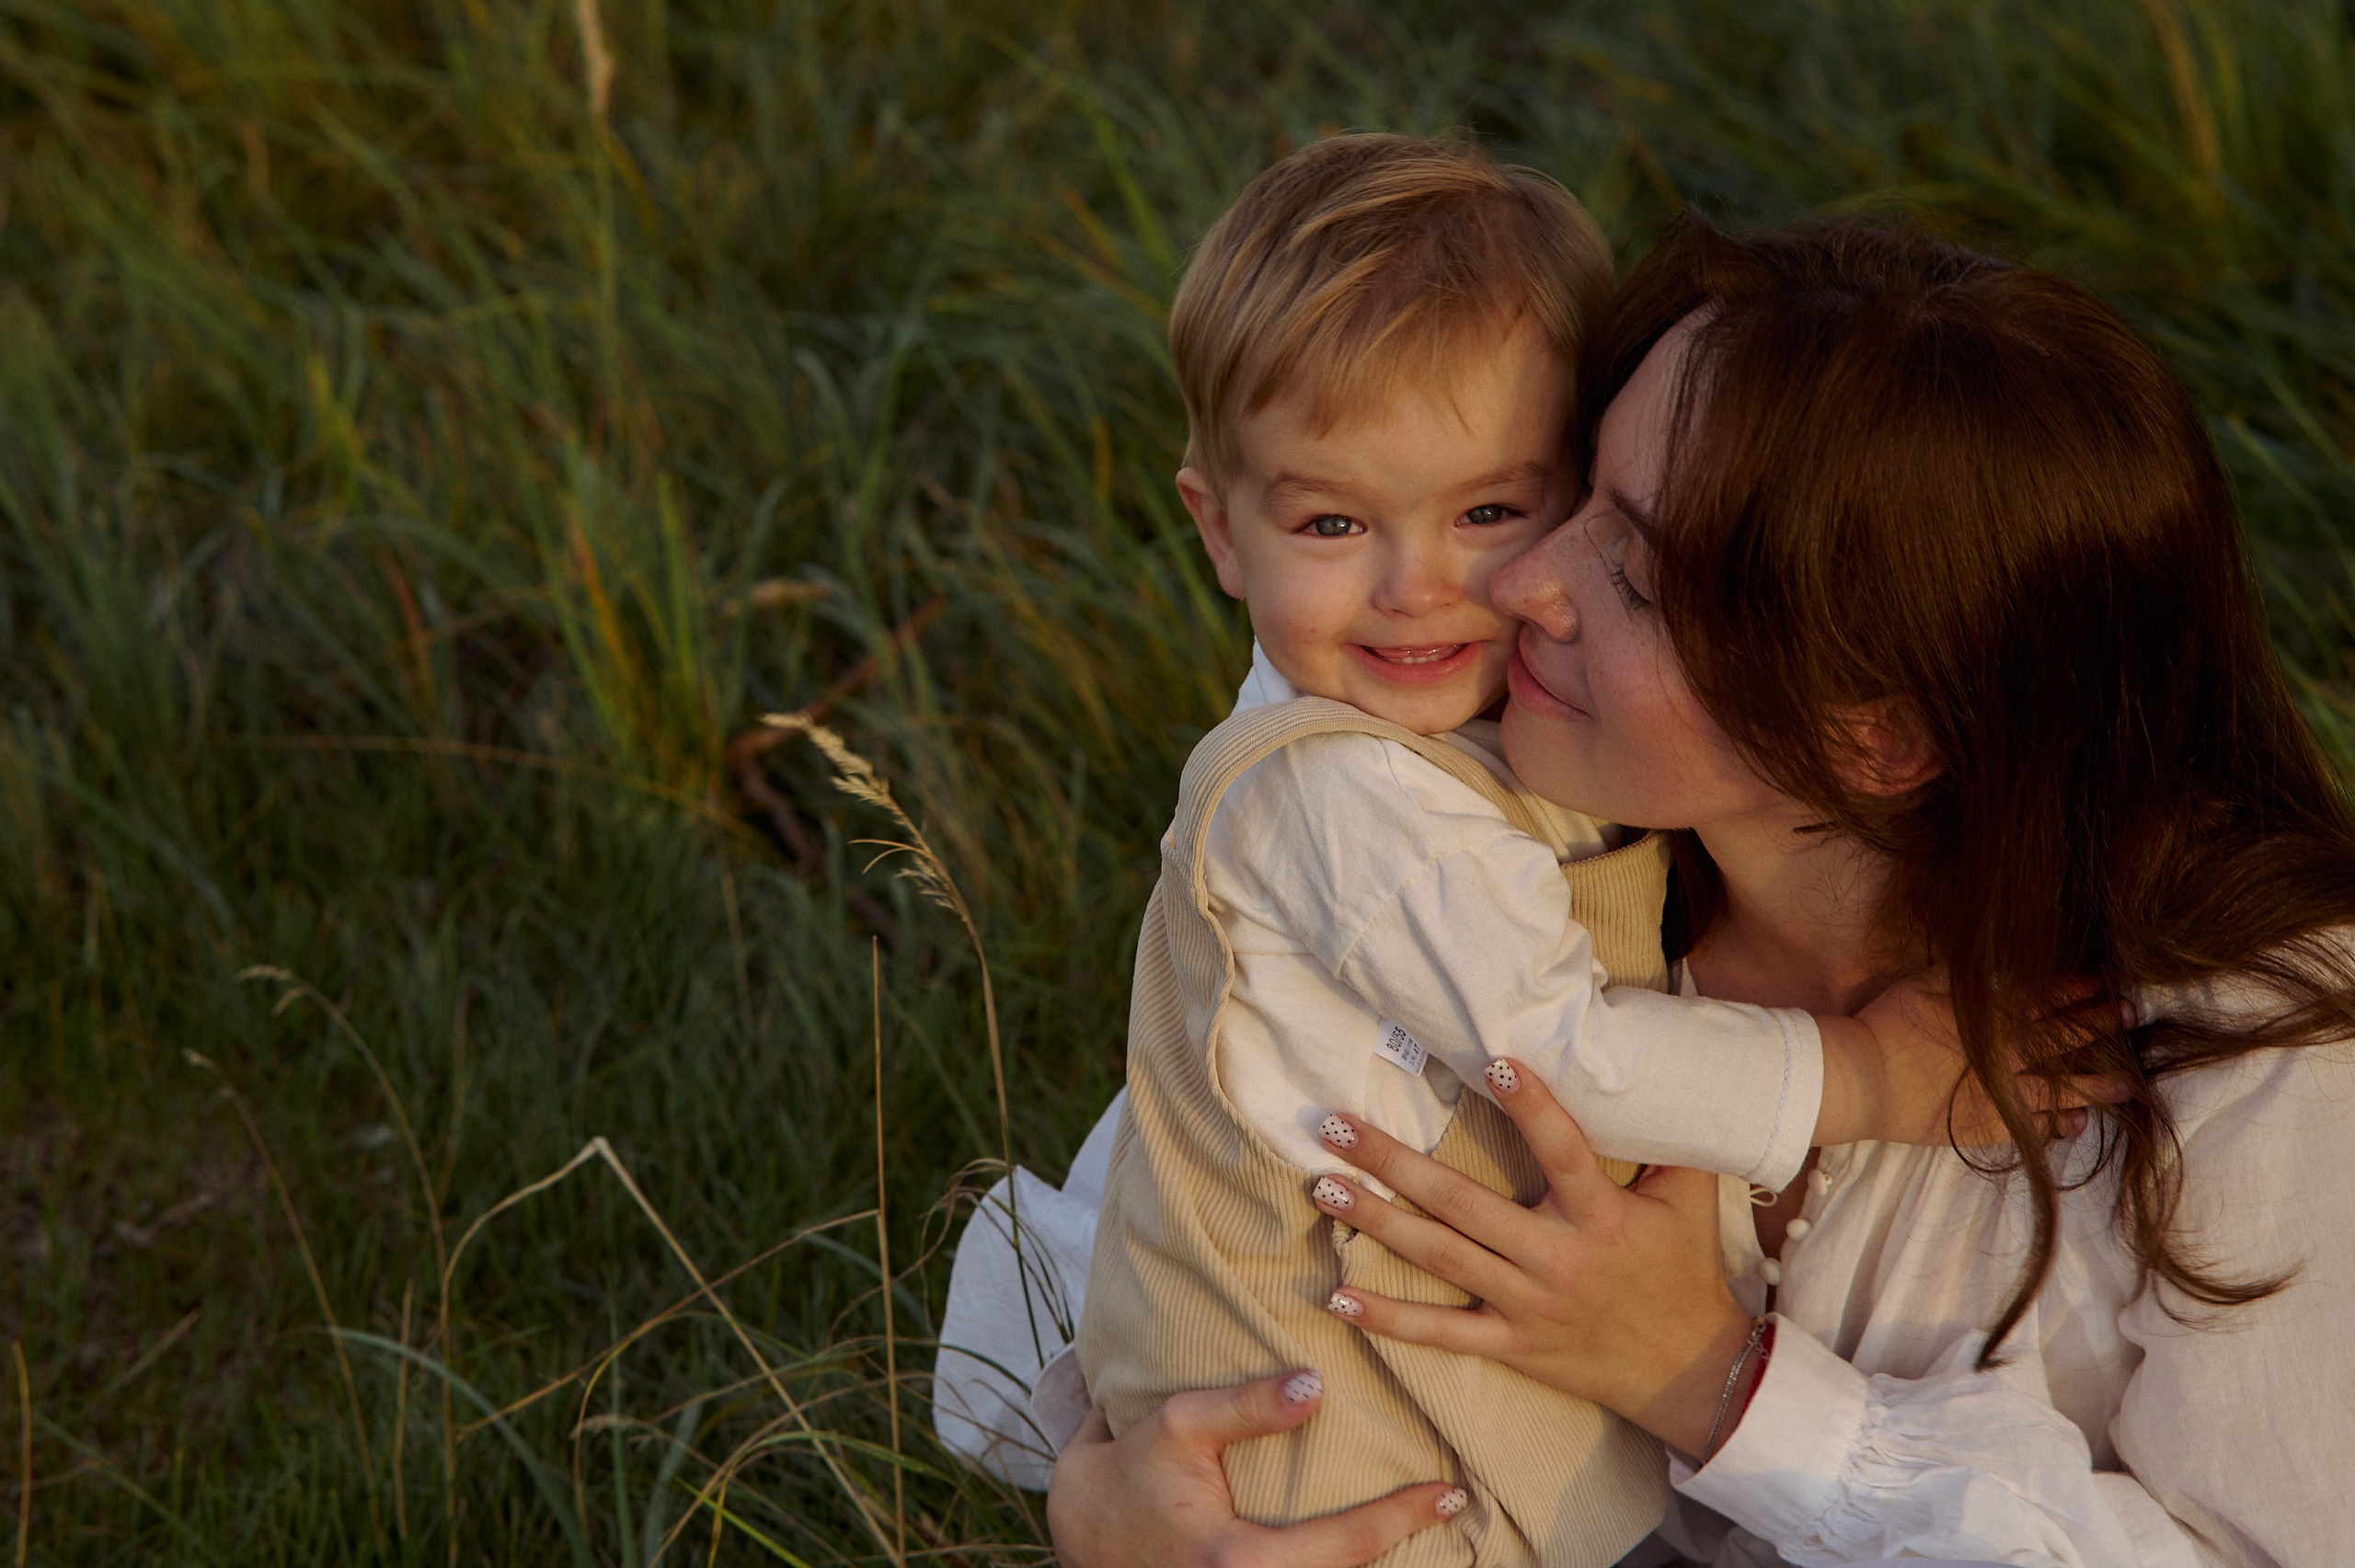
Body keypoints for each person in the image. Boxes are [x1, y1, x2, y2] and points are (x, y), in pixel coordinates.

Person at [1044, 214, 2355, 1567]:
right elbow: (1187, 1195)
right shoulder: (1533, 859)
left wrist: (1716, 1380)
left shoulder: (2266, 1048)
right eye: (1573, 499)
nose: (1518, 580)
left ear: (1880, 734)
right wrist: (1103, 1492)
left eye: (1635, 574)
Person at [936, 140, 2055, 1562]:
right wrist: (1879, 1071)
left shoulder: (1454, 743)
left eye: (1487, 511)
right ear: (1219, 531)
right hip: (1328, 1443)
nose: (1424, 590)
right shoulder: (1344, 797)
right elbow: (1562, 1056)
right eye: (1334, 521)